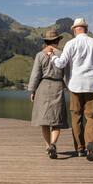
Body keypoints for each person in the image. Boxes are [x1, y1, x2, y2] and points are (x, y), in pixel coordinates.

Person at [45, 18, 93, 161]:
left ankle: (80, 149)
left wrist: (51, 55)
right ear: (86, 29)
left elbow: (61, 64)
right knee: (92, 117)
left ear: (74, 30)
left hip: (75, 86)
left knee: (76, 117)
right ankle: (91, 143)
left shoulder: (71, 44)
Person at [28, 30, 69, 159]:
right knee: (57, 121)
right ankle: (53, 144)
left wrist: (32, 90)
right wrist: (69, 87)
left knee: (44, 121)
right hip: (58, 87)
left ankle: (47, 146)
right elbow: (67, 74)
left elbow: (35, 75)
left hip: (43, 87)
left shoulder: (40, 55)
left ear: (46, 41)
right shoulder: (62, 54)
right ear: (57, 41)